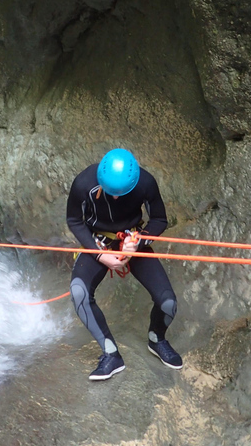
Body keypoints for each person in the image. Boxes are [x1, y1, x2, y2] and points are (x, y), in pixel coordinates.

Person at [66, 148, 182, 381]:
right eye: (111, 192)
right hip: (97, 241)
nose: (116, 197)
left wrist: (139, 241)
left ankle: (157, 339)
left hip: (132, 239)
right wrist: (99, 254)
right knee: (79, 292)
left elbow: (159, 219)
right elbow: (75, 221)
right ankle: (111, 354)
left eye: (121, 192)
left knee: (168, 302)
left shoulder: (145, 182)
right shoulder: (84, 183)